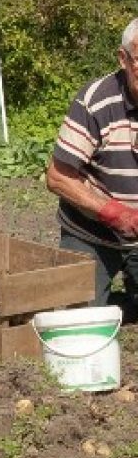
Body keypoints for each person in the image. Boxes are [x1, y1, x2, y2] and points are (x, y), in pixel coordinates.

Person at [46, 18, 138, 314]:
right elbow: (57, 177)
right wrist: (113, 213)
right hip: (91, 232)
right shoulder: (95, 101)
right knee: (79, 318)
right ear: (123, 59)